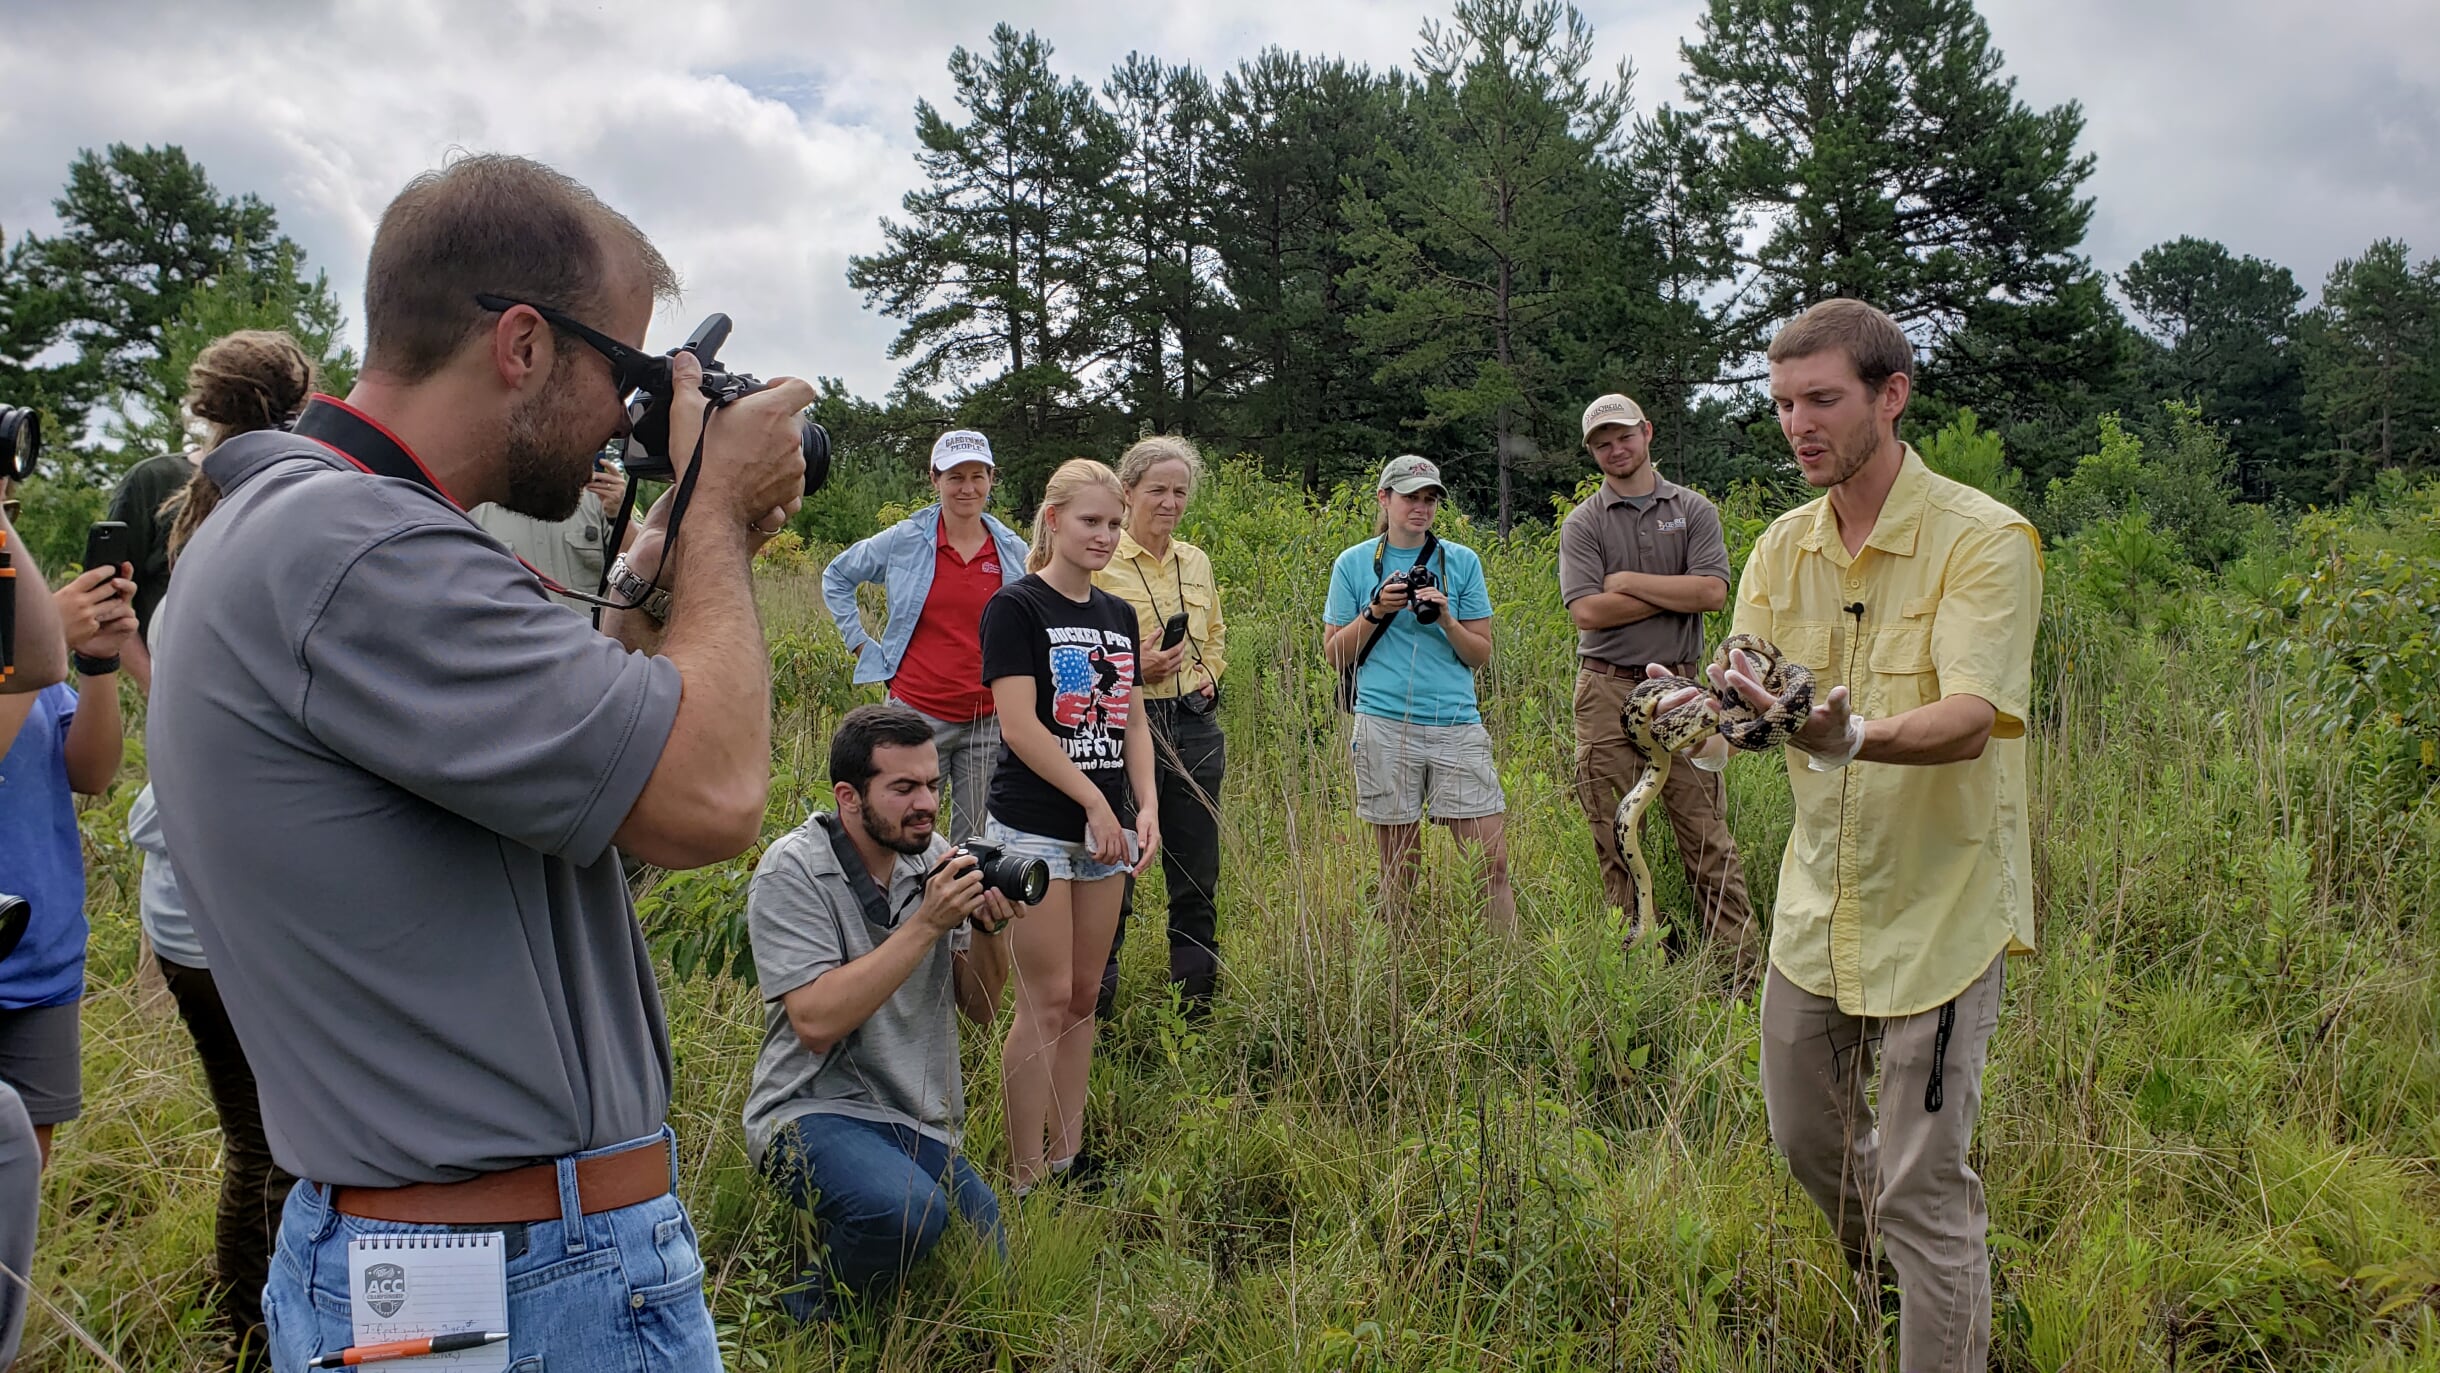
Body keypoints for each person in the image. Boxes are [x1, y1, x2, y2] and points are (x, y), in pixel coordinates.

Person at [146, 153, 811, 1373]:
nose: (632, 412)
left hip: (448, 1258)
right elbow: (710, 796)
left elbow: (572, 754)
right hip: (512, 1278)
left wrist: (654, 564)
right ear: (521, 343)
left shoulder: (304, 525)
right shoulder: (358, 548)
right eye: (622, 369)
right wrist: (715, 516)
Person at [1661, 298, 2040, 1370]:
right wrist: (1704, 709)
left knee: (1924, 1178)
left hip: (1937, 911)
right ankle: (1915, 1293)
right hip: (1816, 905)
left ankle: (1940, 1310)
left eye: (1821, 399)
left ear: (1890, 394)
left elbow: (1970, 719)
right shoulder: (1783, 547)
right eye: (1782, 403)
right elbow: (1753, 694)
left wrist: (1851, 732)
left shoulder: (1983, 537)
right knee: (1809, 1140)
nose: (1797, 424)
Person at [123, 330, 315, 1358]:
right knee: (278, 1133)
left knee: (253, 1127)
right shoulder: (273, 513)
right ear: (302, 397)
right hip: (230, 890)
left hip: (183, 875)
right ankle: (256, 1321)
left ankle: (242, 1314)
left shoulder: (193, 510)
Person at [743, 704, 1017, 1322]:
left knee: (987, 1256)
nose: (926, 803)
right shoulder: (793, 871)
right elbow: (814, 1023)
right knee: (908, 1211)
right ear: (849, 796)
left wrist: (990, 929)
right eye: (903, 788)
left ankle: (880, 1302)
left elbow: (981, 1007)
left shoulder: (934, 856)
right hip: (807, 1109)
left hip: (915, 1116)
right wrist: (928, 923)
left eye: (931, 785)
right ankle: (798, 1319)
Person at [980, 457, 1157, 1193]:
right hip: (1035, 829)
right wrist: (1092, 800)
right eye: (1091, 521)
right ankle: (1022, 1176)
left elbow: (1134, 723)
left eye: (1114, 523)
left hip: (1106, 833)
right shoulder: (1017, 608)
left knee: (1085, 995)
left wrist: (1143, 805)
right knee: (1043, 998)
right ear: (1052, 520)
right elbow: (1020, 726)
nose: (1106, 536)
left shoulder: (1118, 615)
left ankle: (1067, 1156)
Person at [1560, 392, 1757, 975]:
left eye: (1623, 436)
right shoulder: (1585, 523)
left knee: (1706, 837)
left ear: (1647, 433)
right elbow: (1587, 614)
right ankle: (1637, 978)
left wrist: (1625, 581)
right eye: (1602, 443)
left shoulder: (1693, 510)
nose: (1615, 449)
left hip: (1685, 691)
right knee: (1618, 839)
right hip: (1605, 691)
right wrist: (1669, 588)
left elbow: (1712, 594)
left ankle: (1739, 977)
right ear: (1593, 453)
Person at [1322, 456, 1511, 934]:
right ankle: (1399, 968)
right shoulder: (1354, 563)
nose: (1420, 508)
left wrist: (1446, 617)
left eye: (1429, 499)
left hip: (1454, 720)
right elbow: (1334, 654)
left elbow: (1479, 655)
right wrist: (1374, 610)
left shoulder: (1461, 561)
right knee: (1400, 868)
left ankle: (1509, 966)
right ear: (1384, 499)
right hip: (1384, 721)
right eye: (1410, 497)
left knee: (1491, 862)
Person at [821, 431, 1029, 846]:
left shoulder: (1011, 550)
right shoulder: (906, 539)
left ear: (992, 479)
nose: (966, 488)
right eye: (954, 477)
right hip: (915, 714)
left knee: (977, 841)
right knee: (898, 829)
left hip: (987, 719)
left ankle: (963, 912)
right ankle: (902, 909)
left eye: (977, 476)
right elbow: (837, 575)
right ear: (934, 480)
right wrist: (862, 645)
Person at [0, 561, 135, 1170]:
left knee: (20, 1186)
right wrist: (39, 642)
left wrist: (97, 663)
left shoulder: (17, 621)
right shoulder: (24, 634)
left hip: (36, 958)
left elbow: (93, 773)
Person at [1091, 436, 1228, 1019]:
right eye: (1158, 491)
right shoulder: (1099, 556)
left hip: (1194, 724)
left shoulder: (1194, 560)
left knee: (1196, 872)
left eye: (1180, 491)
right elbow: (1075, 646)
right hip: (1123, 722)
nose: (1170, 502)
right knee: (1113, 869)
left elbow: (1216, 634)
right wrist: (1135, 668)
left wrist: (1210, 676)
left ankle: (1196, 1010)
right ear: (1128, 492)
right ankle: (1092, 1005)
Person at [468, 450, 637, 613]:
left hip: (590, 638)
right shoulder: (475, 508)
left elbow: (640, 574)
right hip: (515, 640)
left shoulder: (601, 498)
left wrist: (620, 515)